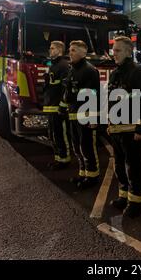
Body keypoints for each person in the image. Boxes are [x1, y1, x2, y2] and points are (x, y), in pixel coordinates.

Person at [107, 36, 141, 218]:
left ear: (128, 51)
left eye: (118, 50)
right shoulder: (115, 73)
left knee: (133, 168)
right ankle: (123, 196)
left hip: (132, 132)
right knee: (119, 166)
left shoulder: (138, 72)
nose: (114, 53)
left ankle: (135, 202)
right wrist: (109, 123)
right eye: (113, 50)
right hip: (117, 131)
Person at [60, 40, 100, 189]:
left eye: (74, 50)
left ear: (84, 52)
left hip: (85, 115)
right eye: (70, 50)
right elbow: (68, 91)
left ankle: (92, 176)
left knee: (87, 147)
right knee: (77, 147)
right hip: (73, 114)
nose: (70, 53)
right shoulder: (72, 69)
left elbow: (94, 95)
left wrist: (93, 117)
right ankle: (83, 173)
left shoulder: (89, 70)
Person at [43, 41, 71, 169]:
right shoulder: (53, 65)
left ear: (60, 50)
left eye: (52, 48)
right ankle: (58, 158)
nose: (50, 50)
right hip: (51, 105)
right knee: (53, 134)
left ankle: (64, 160)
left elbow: (66, 88)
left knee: (60, 134)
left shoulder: (63, 66)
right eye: (50, 48)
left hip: (58, 107)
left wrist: (62, 105)